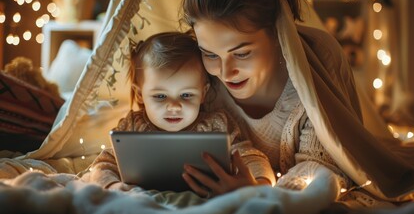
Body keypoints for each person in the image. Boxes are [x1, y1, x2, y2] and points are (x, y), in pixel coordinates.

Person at [181, 0, 414, 204]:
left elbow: (323, 167)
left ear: (278, 33)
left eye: (242, 53)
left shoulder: (318, 59)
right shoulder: (200, 79)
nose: (225, 72)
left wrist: (260, 191)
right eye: (210, 54)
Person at [81, 32, 275, 196]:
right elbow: (103, 164)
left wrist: (260, 184)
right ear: (140, 94)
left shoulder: (217, 124)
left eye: (186, 95)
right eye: (160, 96)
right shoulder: (133, 125)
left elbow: (251, 157)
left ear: (203, 93)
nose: (174, 106)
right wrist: (112, 186)